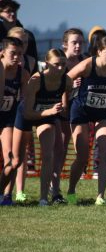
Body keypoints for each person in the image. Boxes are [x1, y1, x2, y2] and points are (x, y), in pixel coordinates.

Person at [65, 35, 106, 205]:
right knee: (82, 156)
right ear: (99, 51)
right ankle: (71, 190)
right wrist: (71, 89)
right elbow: (66, 78)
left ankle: (100, 196)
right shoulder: (88, 64)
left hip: (103, 112)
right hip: (81, 110)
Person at [12, 48, 71, 206]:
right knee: (16, 159)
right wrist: (50, 111)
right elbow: (29, 113)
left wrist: (62, 108)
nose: (60, 68)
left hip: (46, 116)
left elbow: (66, 99)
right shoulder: (36, 80)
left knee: (48, 155)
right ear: (46, 64)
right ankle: (6, 194)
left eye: (63, 64)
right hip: (27, 115)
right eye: (56, 64)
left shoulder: (67, 81)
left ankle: (44, 198)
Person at [52, 28, 85, 203]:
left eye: (81, 42)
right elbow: (50, 86)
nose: (78, 46)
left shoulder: (84, 61)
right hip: (59, 110)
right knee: (60, 150)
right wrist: (70, 85)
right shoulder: (59, 62)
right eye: (74, 42)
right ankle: (55, 190)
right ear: (65, 44)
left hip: (78, 110)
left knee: (80, 152)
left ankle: (70, 189)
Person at [0, 37, 30, 206]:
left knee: (11, 158)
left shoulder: (22, 73)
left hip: (8, 119)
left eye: (20, 54)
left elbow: (24, 100)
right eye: (13, 53)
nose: (17, 57)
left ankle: (6, 195)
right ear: (3, 52)